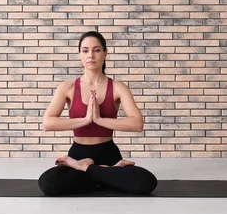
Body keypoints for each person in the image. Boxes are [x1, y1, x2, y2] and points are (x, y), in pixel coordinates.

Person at [38, 30, 158, 196]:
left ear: (105, 53)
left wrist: (100, 119)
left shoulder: (118, 87)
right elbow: (47, 123)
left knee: (147, 182)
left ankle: (86, 169)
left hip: (108, 153)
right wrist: (86, 120)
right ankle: (108, 173)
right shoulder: (68, 87)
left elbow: (137, 124)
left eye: (96, 50)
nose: (90, 55)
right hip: (78, 153)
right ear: (79, 55)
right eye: (85, 50)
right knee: (48, 183)